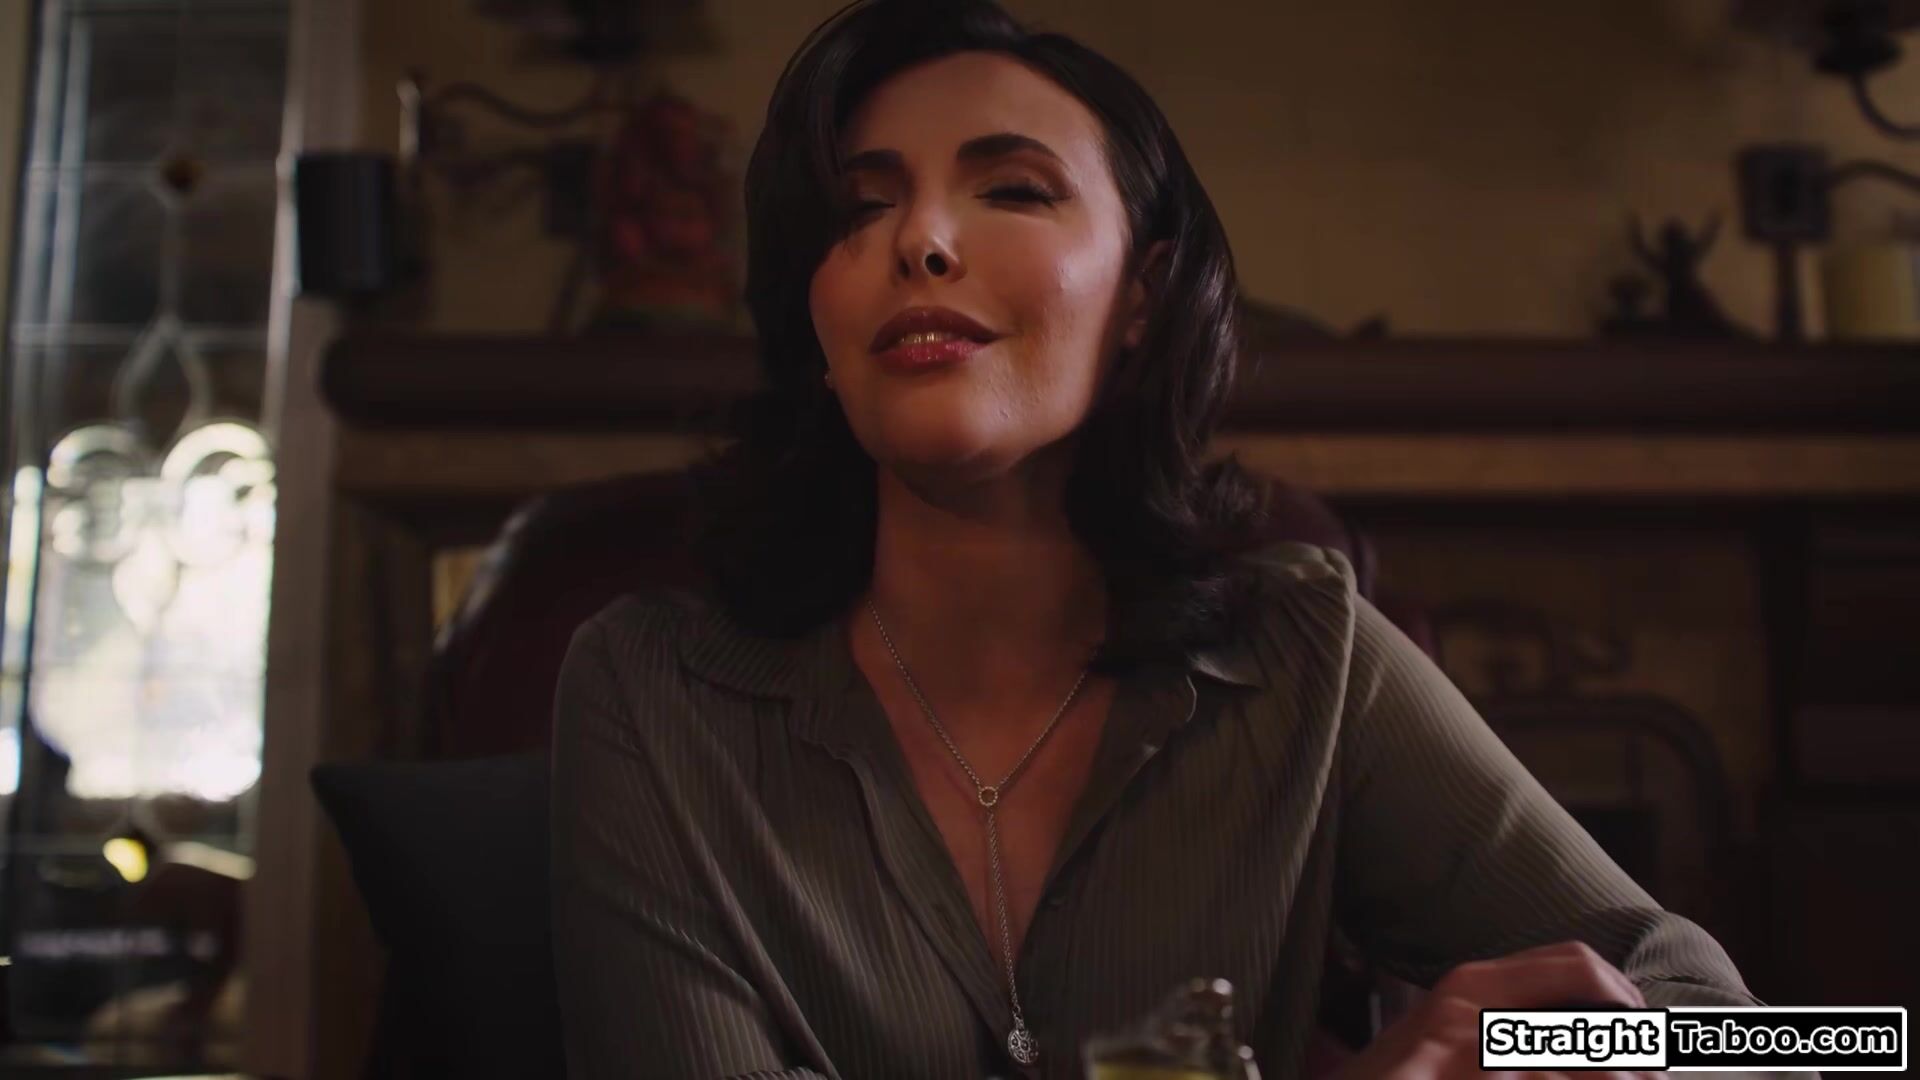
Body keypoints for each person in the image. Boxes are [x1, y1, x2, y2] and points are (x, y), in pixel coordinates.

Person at [550, 2, 1789, 1077]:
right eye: (858, 208)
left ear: (1141, 295)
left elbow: (1733, 1030)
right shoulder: (652, 691)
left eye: (1013, 188)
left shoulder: (1301, 654)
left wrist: (1527, 1048)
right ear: (816, 327)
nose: (920, 241)